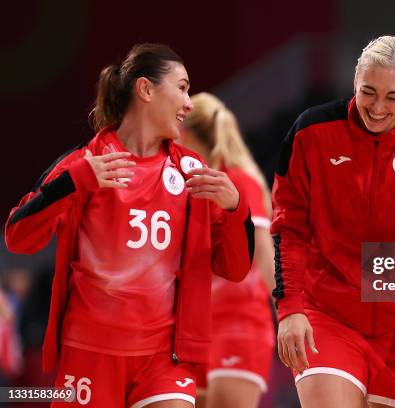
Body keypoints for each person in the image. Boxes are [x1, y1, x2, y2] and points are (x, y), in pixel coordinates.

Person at [4, 43, 255, 408]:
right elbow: (18, 237)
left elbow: (234, 267)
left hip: (164, 358)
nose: (189, 103)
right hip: (90, 354)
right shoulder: (86, 163)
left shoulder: (192, 171)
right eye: (182, 88)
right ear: (146, 89)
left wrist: (235, 208)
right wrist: (73, 183)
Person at [272, 35, 395, 408]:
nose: (377, 107)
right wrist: (290, 308)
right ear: (354, 81)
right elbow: (289, 228)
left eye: (393, 97)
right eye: (368, 91)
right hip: (327, 316)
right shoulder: (310, 132)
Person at [178, 92, 275, 408]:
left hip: (239, 324)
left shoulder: (236, 184)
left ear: (187, 134)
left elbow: (264, 254)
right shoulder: (192, 189)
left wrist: (291, 313)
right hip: (198, 328)